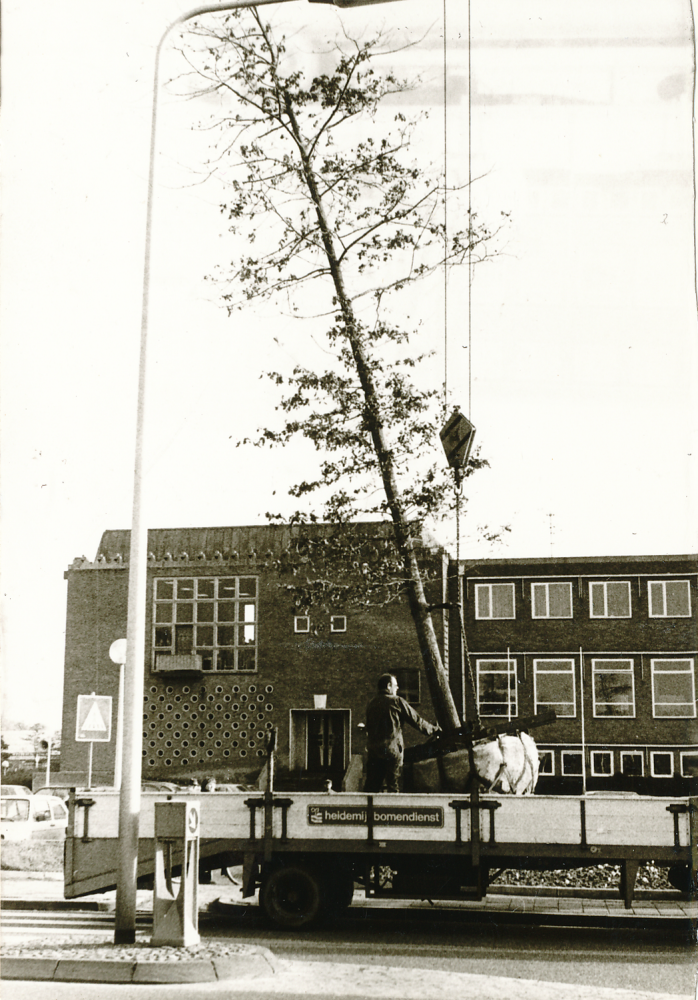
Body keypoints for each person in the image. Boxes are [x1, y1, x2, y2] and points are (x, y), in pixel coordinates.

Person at [364, 673, 439, 793]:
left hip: (374, 751)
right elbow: (416, 720)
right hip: (391, 751)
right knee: (393, 786)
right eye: (395, 685)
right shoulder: (396, 701)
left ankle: (367, 810)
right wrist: (434, 730)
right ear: (389, 686)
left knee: (371, 787)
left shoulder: (371, 704)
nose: (397, 688)